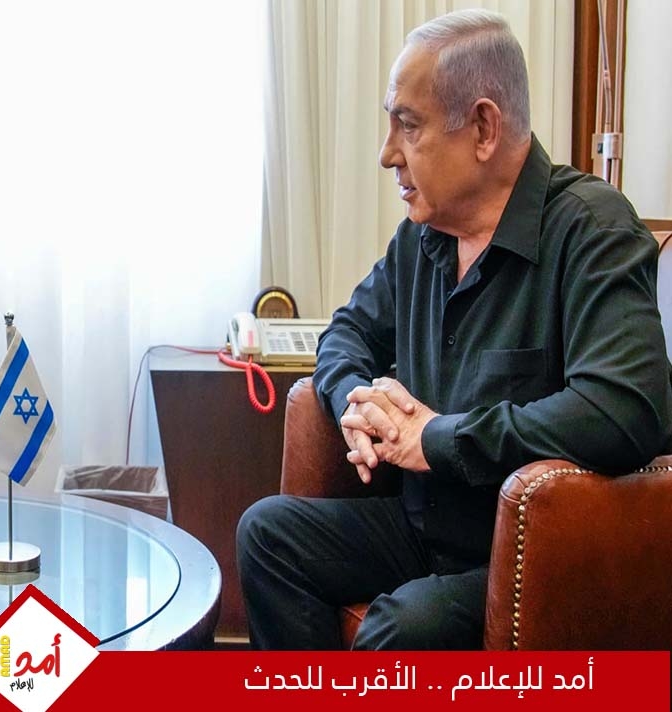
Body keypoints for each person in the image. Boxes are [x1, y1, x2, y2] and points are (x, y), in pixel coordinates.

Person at [235, 9, 672, 650]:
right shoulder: (423, 237)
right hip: (424, 525)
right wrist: (355, 401)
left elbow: (624, 408)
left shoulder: (593, 230)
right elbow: (346, 333)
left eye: (408, 126)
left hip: (526, 553)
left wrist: (439, 438)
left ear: (484, 129)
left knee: (403, 626)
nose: (387, 154)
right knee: (267, 534)